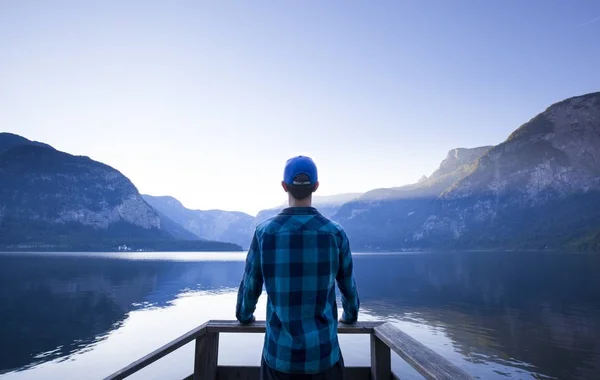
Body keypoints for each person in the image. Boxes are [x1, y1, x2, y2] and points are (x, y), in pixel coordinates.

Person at [236, 155, 360, 380]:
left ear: (284, 187)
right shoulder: (335, 233)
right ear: (316, 186)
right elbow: (348, 288)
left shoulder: (265, 233)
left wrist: (245, 315)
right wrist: (349, 316)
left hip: (279, 357)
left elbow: (250, 287)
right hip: (323, 356)